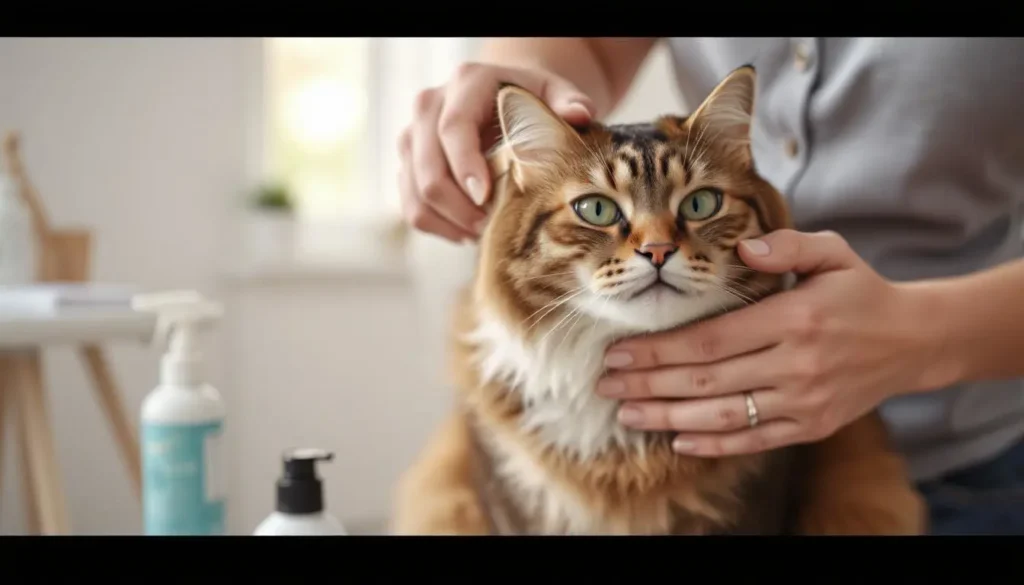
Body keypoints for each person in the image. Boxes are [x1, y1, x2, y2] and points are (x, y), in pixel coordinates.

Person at [395, 37, 1024, 535]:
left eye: (695, 208)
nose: (657, 247)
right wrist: (519, 83)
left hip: (972, 461)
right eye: (599, 213)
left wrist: (919, 338)